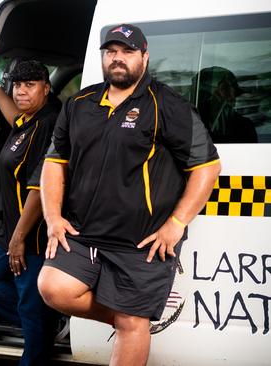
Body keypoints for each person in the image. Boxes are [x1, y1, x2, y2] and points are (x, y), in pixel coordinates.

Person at [36, 24, 221, 365]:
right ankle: (129, 318)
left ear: (144, 56)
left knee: (131, 322)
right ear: (104, 57)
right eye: (112, 52)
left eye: (127, 51)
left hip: (142, 240)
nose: (118, 59)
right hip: (82, 232)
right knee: (52, 287)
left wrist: (177, 223)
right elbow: (53, 163)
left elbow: (207, 166)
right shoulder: (79, 103)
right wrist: (53, 217)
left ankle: (132, 321)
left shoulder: (167, 104)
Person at [0, 55, 60, 366]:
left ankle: (37, 339)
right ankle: (42, 325)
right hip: (10, 232)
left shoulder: (47, 124)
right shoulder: (28, 120)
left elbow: (38, 188)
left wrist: (19, 238)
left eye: (29, 85)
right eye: (17, 85)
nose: (20, 91)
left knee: (31, 308)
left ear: (46, 88)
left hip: (30, 236)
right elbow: (12, 116)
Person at [194, 66, 257, 143]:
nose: (229, 96)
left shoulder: (245, 126)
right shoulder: (192, 120)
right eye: (224, 89)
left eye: (228, 89)